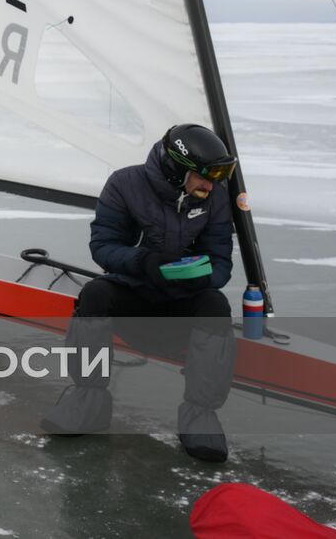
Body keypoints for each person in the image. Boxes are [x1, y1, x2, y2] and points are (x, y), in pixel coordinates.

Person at [40, 123, 239, 463]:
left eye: (217, 178)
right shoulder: (124, 184)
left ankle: (200, 417)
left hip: (179, 302)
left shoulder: (215, 196)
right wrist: (144, 260)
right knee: (95, 294)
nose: (211, 185)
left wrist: (201, 278)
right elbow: (103, 246)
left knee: (215, 304)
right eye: (203, 176)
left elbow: (220, 262)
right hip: (132, 293)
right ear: (176, 169)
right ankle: (88, 400)